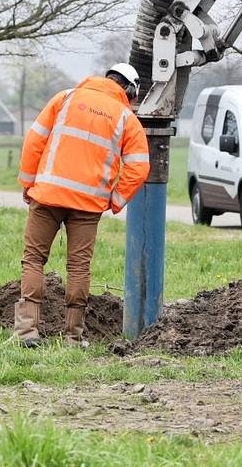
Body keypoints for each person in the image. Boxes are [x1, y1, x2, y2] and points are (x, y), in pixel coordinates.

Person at [13, 63, 150, 348]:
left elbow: (34, 141)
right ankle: (73, 337)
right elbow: (139, 167)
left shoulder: (65, 98)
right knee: (78, 267)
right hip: (88, 205)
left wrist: (28, 183)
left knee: (34, 259)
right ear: (130, 90)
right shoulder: (126, 117)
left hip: (47, 195)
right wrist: (116, 200)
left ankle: (27, 332)